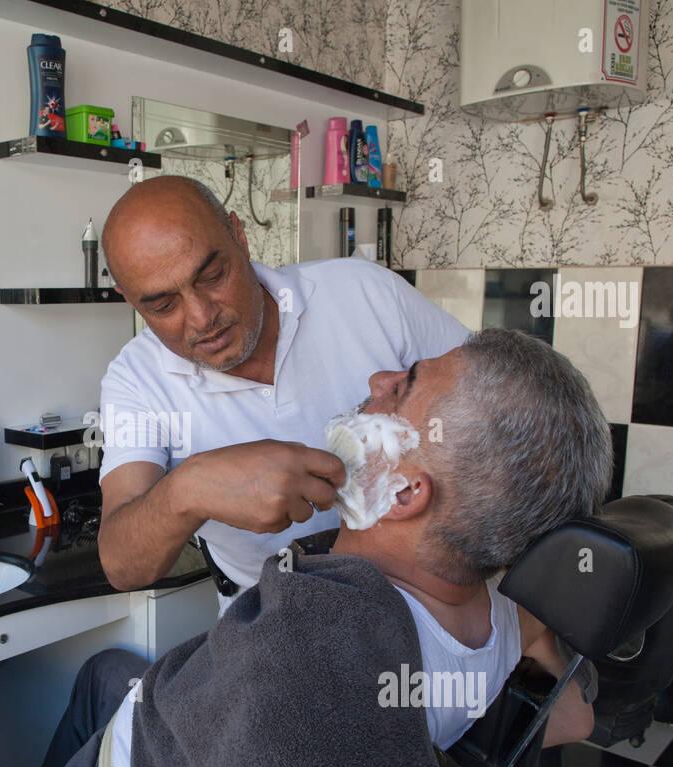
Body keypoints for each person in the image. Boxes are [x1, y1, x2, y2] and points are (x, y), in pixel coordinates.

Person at [0, 328, 613, 767]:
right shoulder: (497, 608)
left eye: (407, 384)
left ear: (409, 490)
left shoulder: (304, 652)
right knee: (103, 677)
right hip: (166, 745)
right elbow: (572, 712)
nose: (381, 380)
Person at [96, 176, 470, 613]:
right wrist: (190, 488)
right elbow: (122, 565)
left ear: (240, 235)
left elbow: (496, 395)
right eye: (163, 306)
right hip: (275, 624)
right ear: (129, 300)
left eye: (213, 276)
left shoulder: (365, 293)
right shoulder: (135, 380)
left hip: (428, 596)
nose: (201, 318)